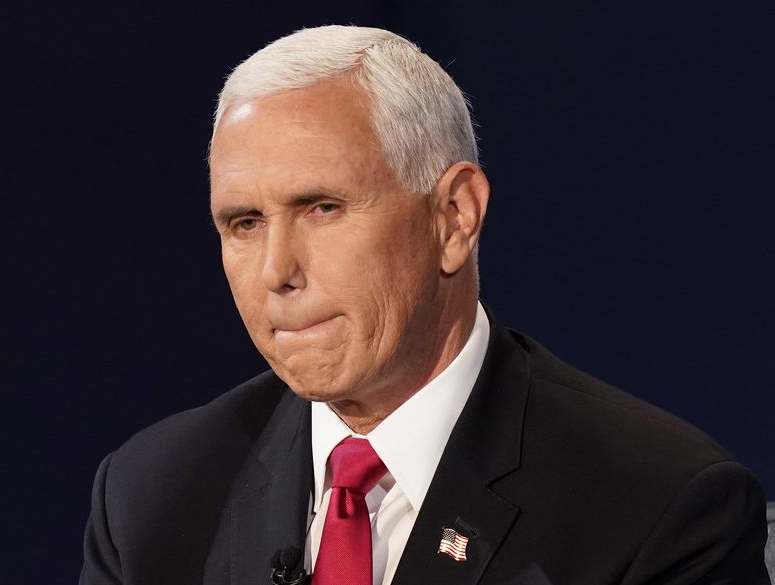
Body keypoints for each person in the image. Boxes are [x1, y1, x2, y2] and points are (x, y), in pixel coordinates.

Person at [79, 25, 769, 585]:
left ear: (453, 217)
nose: (276, 271)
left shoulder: (657, 508)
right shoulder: (152, 499)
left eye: (322, 208)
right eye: (244, 223)